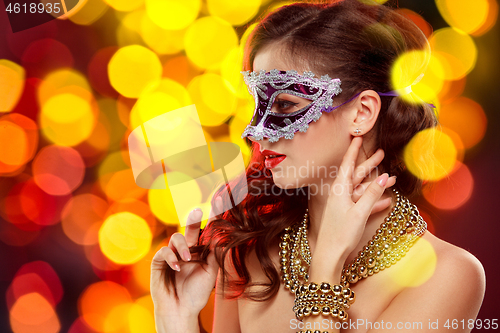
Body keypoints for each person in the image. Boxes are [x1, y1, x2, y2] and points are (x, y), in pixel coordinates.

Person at [151, 1, 486, 332]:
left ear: (362, 112)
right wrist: (176, 321)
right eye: (257, 105)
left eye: (284, 104)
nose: (254, 131)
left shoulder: (446, 273)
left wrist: (326, 271)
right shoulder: (246, 251)